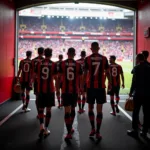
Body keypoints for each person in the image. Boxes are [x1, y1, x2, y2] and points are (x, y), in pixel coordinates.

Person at [84, 42, 111, 140]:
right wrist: (110, 83)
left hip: (90, 87)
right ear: (99, 48)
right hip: (100, 88)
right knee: (99, 111)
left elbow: (84, 73)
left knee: (90, 109)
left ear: (91, 48)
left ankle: (92, 129)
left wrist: (83, 85)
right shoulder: (104, 59)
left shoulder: (87, 59)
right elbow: (108, 73)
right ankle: (98, 132)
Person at [58, 47, 83, 140]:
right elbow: (81, 78)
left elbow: (59, 77)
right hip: (75, 91)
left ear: (67, 53)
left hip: (65, 90)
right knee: (72, 110)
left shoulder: (62, 64)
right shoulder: (78, 64)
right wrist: (80, 89)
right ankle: (70, 128)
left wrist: (58, 88)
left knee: (66, 111)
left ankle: (69, 131)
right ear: (75, 54)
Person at [35, 48, 57, 139]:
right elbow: (55, 77)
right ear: (51, 54)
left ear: (44, 54)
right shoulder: (53, 64)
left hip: (40, 89)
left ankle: (41, 126)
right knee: (48, 110)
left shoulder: (38, 63)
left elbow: (35, 76)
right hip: (50, 90)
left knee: (40, 109)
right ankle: (46, 129)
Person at [127, 53, 150, 140]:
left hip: (138, 94)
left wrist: (130, 92)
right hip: (148, 94)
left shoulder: (137, 68)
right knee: (146, 113)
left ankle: (135, 131)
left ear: (138, 59)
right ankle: (144, 131)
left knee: (135, 112)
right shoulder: (149, 67)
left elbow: (134, 82)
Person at [31, 47, 44, 118]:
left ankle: (39, 113)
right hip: (43, 82)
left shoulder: (33, 60)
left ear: (37, 52)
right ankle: (42, 112)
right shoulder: (45, 60)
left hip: (36, 82)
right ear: (43, 52)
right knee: (43, 98)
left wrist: (31, 80)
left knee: (37, 98)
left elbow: (32, 72)